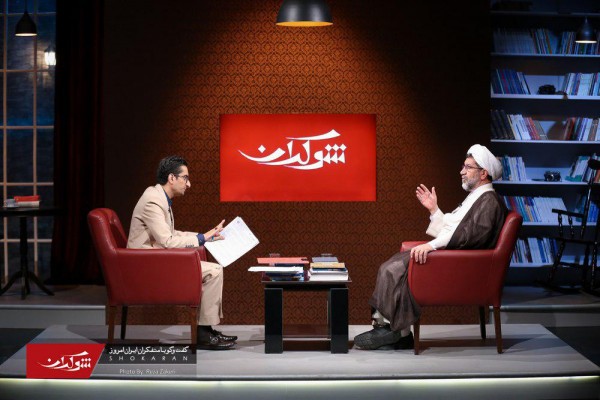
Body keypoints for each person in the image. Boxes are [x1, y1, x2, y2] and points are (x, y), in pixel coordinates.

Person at [354, 144, 508, 350]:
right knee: (393, 266)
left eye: (468, 167)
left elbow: (466, 238)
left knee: (392, 269)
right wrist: (434, 210)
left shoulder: (489, 202)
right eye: (463, 166)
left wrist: (431, 246)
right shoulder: (477, 197)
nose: (462, 171)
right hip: (451, 258)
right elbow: (454, 230)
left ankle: (390, 330)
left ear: (483, 173)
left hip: (458, 266)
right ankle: (397, 331)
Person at [127, 155, 237, 350]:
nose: (189, 184)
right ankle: (203, 334)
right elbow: (168, 241)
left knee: (213, 270)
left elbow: (170, 234)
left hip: (155, 259)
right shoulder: (153, 201)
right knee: (214, 271)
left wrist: (205, 236)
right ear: (172, 178)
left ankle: (205, 330)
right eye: (185, 178)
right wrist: (202, 239)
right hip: (145, 266)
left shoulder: (159, 197)